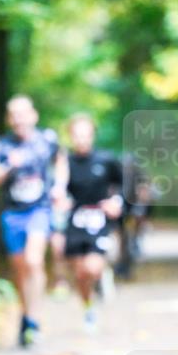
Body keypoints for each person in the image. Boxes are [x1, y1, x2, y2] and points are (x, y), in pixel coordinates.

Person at [0, 96, 58, 347]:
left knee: (34, 261)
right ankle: (26, 315)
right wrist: (7, 166)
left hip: (40, 210)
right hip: (13, 214)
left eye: (23, 113)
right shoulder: (2, 146)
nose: (19, 119)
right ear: (8, 119)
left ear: (33, 115)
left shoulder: (47, 139)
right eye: (13, 115)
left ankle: (34, 320)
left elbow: (62, 160)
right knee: (20, 268)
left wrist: (61, 187)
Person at [54, 114, 123, 331]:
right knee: (81, 274)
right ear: (71, 137)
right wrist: (60, 199)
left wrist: (116, 202)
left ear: (93, 136)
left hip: (99, 219)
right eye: (77, 136)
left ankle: (103, 274)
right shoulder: (65, 162)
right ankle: (88, 307)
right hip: (75, 220)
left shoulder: (107, 160)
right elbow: (59, 187)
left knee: (92, 268)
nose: (82, 140)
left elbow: (122, 186)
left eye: (86, 135)